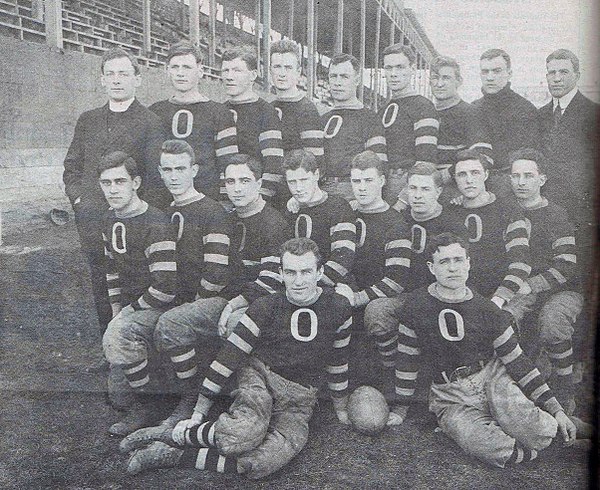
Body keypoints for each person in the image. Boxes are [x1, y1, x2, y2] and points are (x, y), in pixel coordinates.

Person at [120, 238, 353, 480]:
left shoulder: (338, 307)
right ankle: (167, 434)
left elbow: (338, 360)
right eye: (291, 272)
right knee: (242, 435)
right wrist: (198, 413)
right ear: (281, 273)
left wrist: (341, 407)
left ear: (320, 272)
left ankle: (171, 455)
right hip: (260, 377)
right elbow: (227, 360)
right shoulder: (265, 306)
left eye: (306, 271)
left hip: (299, 395)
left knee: (263, 462)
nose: (298, 280)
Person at [388, 232, 590, 468]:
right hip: (450, 394)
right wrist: (401, 408)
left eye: (458, 260)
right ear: (432, 268)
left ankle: (563, 426)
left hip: (492, 379)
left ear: (468, 263)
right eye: (444, 262)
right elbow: (407, 360)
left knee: (535, 429)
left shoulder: (487, 309)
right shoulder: (415, 306)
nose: (453, 268)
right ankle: (548, 447)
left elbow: (518, 362)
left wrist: (556, 408)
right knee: (487, 446)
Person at [153, 154, 291, 424]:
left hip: (261, 304)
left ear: (259, 182)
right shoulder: (225, 217)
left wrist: (233, 303)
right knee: (172, 323)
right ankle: (191, 394)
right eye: (230, 181)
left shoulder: (274, 223)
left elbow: (271, 281)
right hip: (224, 299)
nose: (237, 188)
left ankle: (249, 400)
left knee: (236, 327)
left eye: (244, 180)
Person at [62, 48, 167, 349]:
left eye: (124, 74)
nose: (117, 80)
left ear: (138, 79)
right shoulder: (88, 119)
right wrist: (79, 200)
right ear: (102, 81)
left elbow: (155, 177)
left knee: (135, 282)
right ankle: (109, 348)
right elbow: (72, 166)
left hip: (134, 222)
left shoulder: (150, 121)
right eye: (111, 74)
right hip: (94, 219)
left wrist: (139, 213)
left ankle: (137, 349)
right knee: (101, 283)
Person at [152, 140, 234, 427]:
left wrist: (191, 302)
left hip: (213, 299)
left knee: (172, 323)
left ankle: (190, 398)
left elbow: (216, 274)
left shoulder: (212, 211)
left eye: (180, 169)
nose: (174, 176)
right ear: (160, 172)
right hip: (178, 298)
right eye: (168, 169)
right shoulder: (163, 210)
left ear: (194, 170)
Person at [98, 151, 177, 436]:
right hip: (134, 308)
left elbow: (166, 289)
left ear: (136, 182)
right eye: (106, 183)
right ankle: (143, 390)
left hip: (163, 307)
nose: (113, 189)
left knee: (117, 338)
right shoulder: (109, 218)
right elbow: (111, 271)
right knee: (116, 395)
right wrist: (116, 310)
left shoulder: (155, 222)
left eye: (120, 181)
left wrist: (127, 315)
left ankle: (149, 406)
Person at [504, 149, 583, 414]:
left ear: (542, 179)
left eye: (528, 175)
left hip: (560, 288)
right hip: (520, 286)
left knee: (552, 322)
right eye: (515, 176)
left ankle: (564, 388)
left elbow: (567, 265)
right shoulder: (504, 210)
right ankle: (508, 386)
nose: (521, 182)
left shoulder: (556, 216)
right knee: (502, 318)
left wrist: (533, 284)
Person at [364, 162, 464, 367]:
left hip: (440, 297)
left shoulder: (452, 223)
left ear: (438, 191)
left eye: (425, 189)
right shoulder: (397, 219)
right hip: (404, 296)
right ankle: (391, 366)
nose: (417, 195)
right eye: (413, 188)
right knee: (376, 311)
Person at [538, 49, 599, 294]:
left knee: (578, 280)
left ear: (577, 75)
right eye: (551, 72)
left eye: (563, 72)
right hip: (546, 208)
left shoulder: (593, 113)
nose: (556, 78)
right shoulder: (540, 115)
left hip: (581, 213)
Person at [149, 41, 239, 200]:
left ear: (200, 71)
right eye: (175, 67)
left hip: (207, 201)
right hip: (163, 201)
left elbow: (228, 165)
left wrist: (225, 204)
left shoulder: (219, 113)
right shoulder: (155, 111)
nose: (180, 73)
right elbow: (150, 163)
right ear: (167, 71)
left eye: (187, 67)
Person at [446, 149, 533, 309]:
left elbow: (521, 263)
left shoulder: (508, 210)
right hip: (463, 294)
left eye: (475, 173)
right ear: (455, 179)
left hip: (502, 293)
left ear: (486, 175)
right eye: (462, 174)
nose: (469, 180)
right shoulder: (451, 211)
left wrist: (498, 300)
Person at [471, 49, 540, 197]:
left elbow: (527, 157)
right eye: (485, 71)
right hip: (475, 184)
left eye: (496, 71)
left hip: (510, 186)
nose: (490, 77)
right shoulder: (473, 108)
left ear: (509, 73)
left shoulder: (525, 109)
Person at [283, 149, 356, 286]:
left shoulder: (338, 207)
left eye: (304, 180)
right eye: (292, 182)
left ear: (316, 174)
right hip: (297, 286)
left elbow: (343, 259)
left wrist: (308, 286)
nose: (298, 188)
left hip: (332, 285)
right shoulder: (292, 210)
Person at [321, 54, 388, 201]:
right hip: (322, 190)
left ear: (357, 80)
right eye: (333, 76)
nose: (337, 82)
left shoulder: (370, 119)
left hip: (352, 192)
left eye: (344, 77)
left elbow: (378, 166)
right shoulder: (322, 118)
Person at [221, 46, 284, 202]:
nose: (229, 76)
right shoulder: (219, 111)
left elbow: (274, 163)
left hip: (255, 200)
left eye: (237, 71)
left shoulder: (265, 112)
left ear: (253, 75)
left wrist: (259, 200)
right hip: (225, 199)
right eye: (225, 70)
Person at [379, 44, 439, 205]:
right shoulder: (383, 108)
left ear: (412, 69)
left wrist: (404, 199)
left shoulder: (423, 106)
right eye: (388, 68)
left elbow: (426, 161)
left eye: (400, 67)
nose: (393, 74)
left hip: (407, 183)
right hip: (382, 184)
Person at [428, 55, 492, 201]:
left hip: (455, 191)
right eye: (435, 78)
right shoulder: (426, 112)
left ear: (459, 81)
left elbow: (484, 155)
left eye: (446, 78)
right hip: (426, 189)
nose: (439, 84)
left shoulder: (470, 112)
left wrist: (446, 175)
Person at [270, 40, 324, 161]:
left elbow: (314, 161)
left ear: (298, 72)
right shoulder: (268, 108)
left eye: (288, 68)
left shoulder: (307, 110)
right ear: (270, 70)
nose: (282, 74)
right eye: (277, 67)